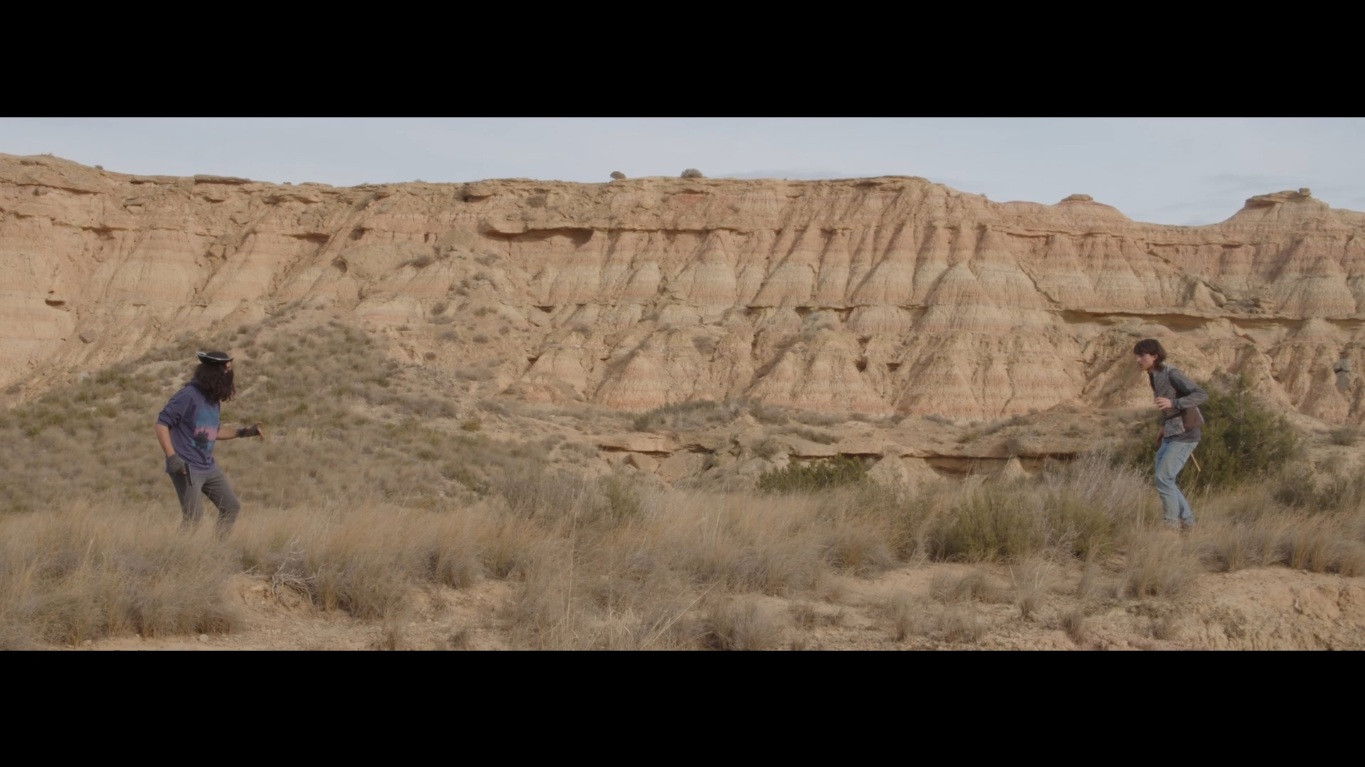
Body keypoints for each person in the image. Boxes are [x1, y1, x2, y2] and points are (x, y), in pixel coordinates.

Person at [154, 350, 263, 537]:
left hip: (208, 466)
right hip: (186, 467)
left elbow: (212, 432)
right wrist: (172, 458)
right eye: (226, 369)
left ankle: (217, 551)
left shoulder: (212, 399)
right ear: (213, 372)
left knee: (230, 507)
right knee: (193, 518)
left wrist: (245, 432)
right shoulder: (188, 395)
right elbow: (162, 424)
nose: (229, 373)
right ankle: (175, 555)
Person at [1133, 339, 1207, 532]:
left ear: (1154, 356)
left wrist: (1175, 404)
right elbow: (1166, 405)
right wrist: (1163, 426)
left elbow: (1201, 394)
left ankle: (1171, 527)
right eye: (1137, 355)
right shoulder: (1153, 375)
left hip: (1186, 433)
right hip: (1171, 432)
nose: (1138, 359)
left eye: (1142, 355)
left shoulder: (1171, 373)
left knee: (1164, 479)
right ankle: (1189, 523)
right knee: (1166, 479)